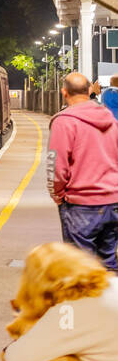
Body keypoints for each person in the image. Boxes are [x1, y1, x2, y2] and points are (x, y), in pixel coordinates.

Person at [47, 71, 118, 270]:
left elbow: (56, 166)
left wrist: (58, 194)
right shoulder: (111, 120)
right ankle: (110, 299)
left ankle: (87, 301)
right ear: (89, 90)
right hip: (113, 203)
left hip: (81, 204)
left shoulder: (64, 121)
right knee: (109, 265)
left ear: (64, 92)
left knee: (80, 268)